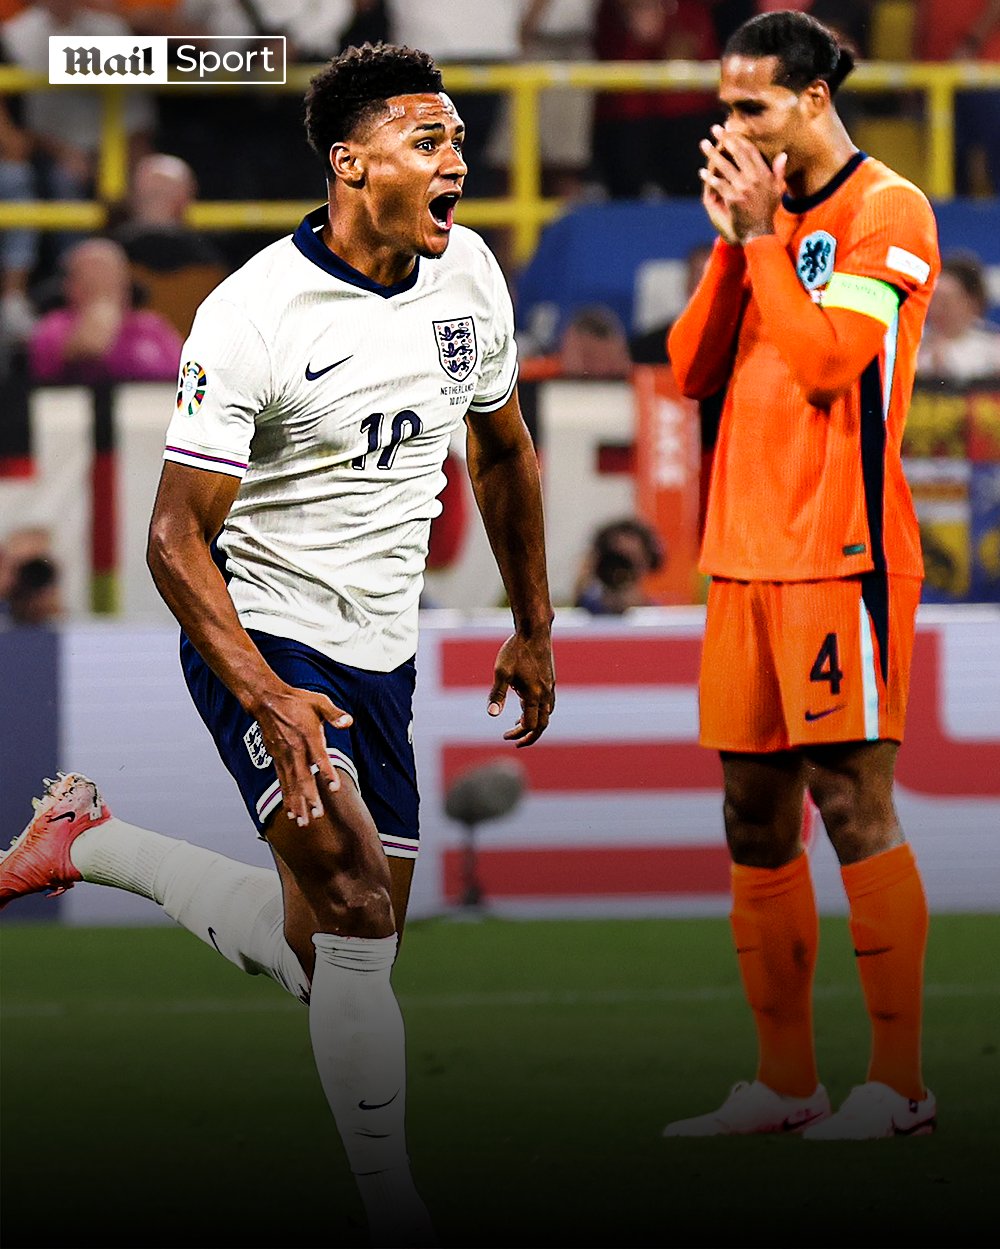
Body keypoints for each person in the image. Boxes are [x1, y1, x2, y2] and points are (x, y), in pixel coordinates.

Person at [0, 42, 556, 1246]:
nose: (460, 160)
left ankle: (92, 842)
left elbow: (503, 449)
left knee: (333, 952)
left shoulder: (468, 276)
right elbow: (170, 539)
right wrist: (263, 693)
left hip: (380, 654)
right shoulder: (254, 314)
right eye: (431, 140)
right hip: (259, 632)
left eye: (459, 138)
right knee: (357, 905)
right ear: (351, 163)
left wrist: (533, 622)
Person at [664, 10, 939, 1140]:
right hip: (741, 555)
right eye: (723, 106)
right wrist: (735, 245)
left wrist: (765, 236)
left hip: (843, 550)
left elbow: (831, 366)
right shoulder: (756, 223)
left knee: (850, 801)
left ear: (813, 99)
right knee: (752, 815)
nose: (732, 128)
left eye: (753, 107)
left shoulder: (888, 209)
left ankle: (900, 1086)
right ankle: (785, 1084)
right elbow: (691, 367)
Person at [28, 238, 183, 384]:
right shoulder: (54, 327)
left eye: (112, 276)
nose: (105, 284)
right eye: (93, 280)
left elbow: (188, 371)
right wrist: (103, 308)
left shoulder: (151, 326)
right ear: (70, 286)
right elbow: (90, 348)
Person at [917, 251, 1000, 384]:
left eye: (945, 303)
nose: (937, 309)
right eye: (933, 300)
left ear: (972, 302)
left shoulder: (993, 349)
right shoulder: (914, 345)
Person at [573, 517, 664, 613]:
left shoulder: (657, 615)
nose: (621, 569)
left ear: (647, 562)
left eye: (632, 557)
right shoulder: (585, 608)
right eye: (616, 558)